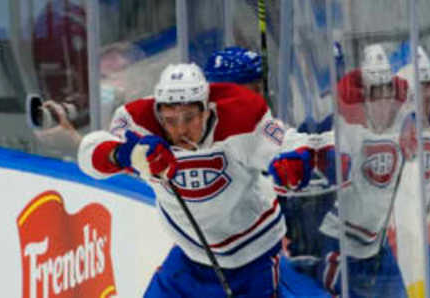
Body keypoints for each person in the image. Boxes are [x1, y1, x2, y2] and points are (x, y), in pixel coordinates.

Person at [77, 62, 330, 297]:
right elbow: (89, 153)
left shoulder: (240, 118)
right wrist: (126, 155)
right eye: (170, 121)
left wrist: (295, 160)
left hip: (252, 255)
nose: (180, 130)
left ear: (206, 111)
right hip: (190, 256)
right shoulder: (140, 126)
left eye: (189, 118)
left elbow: (288, 142)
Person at [315, 43, 411, 297]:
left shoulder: (404, 122)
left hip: (378, 244)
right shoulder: (346, 128)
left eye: (387, 91)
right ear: (365, 95)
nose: (382, 101)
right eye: (375, 93)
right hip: (342, 245)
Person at [396, 45, 430, 298]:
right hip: (409, 238)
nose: (425, 93)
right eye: (419, 86)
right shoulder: (394, 128)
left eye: (428, 85)